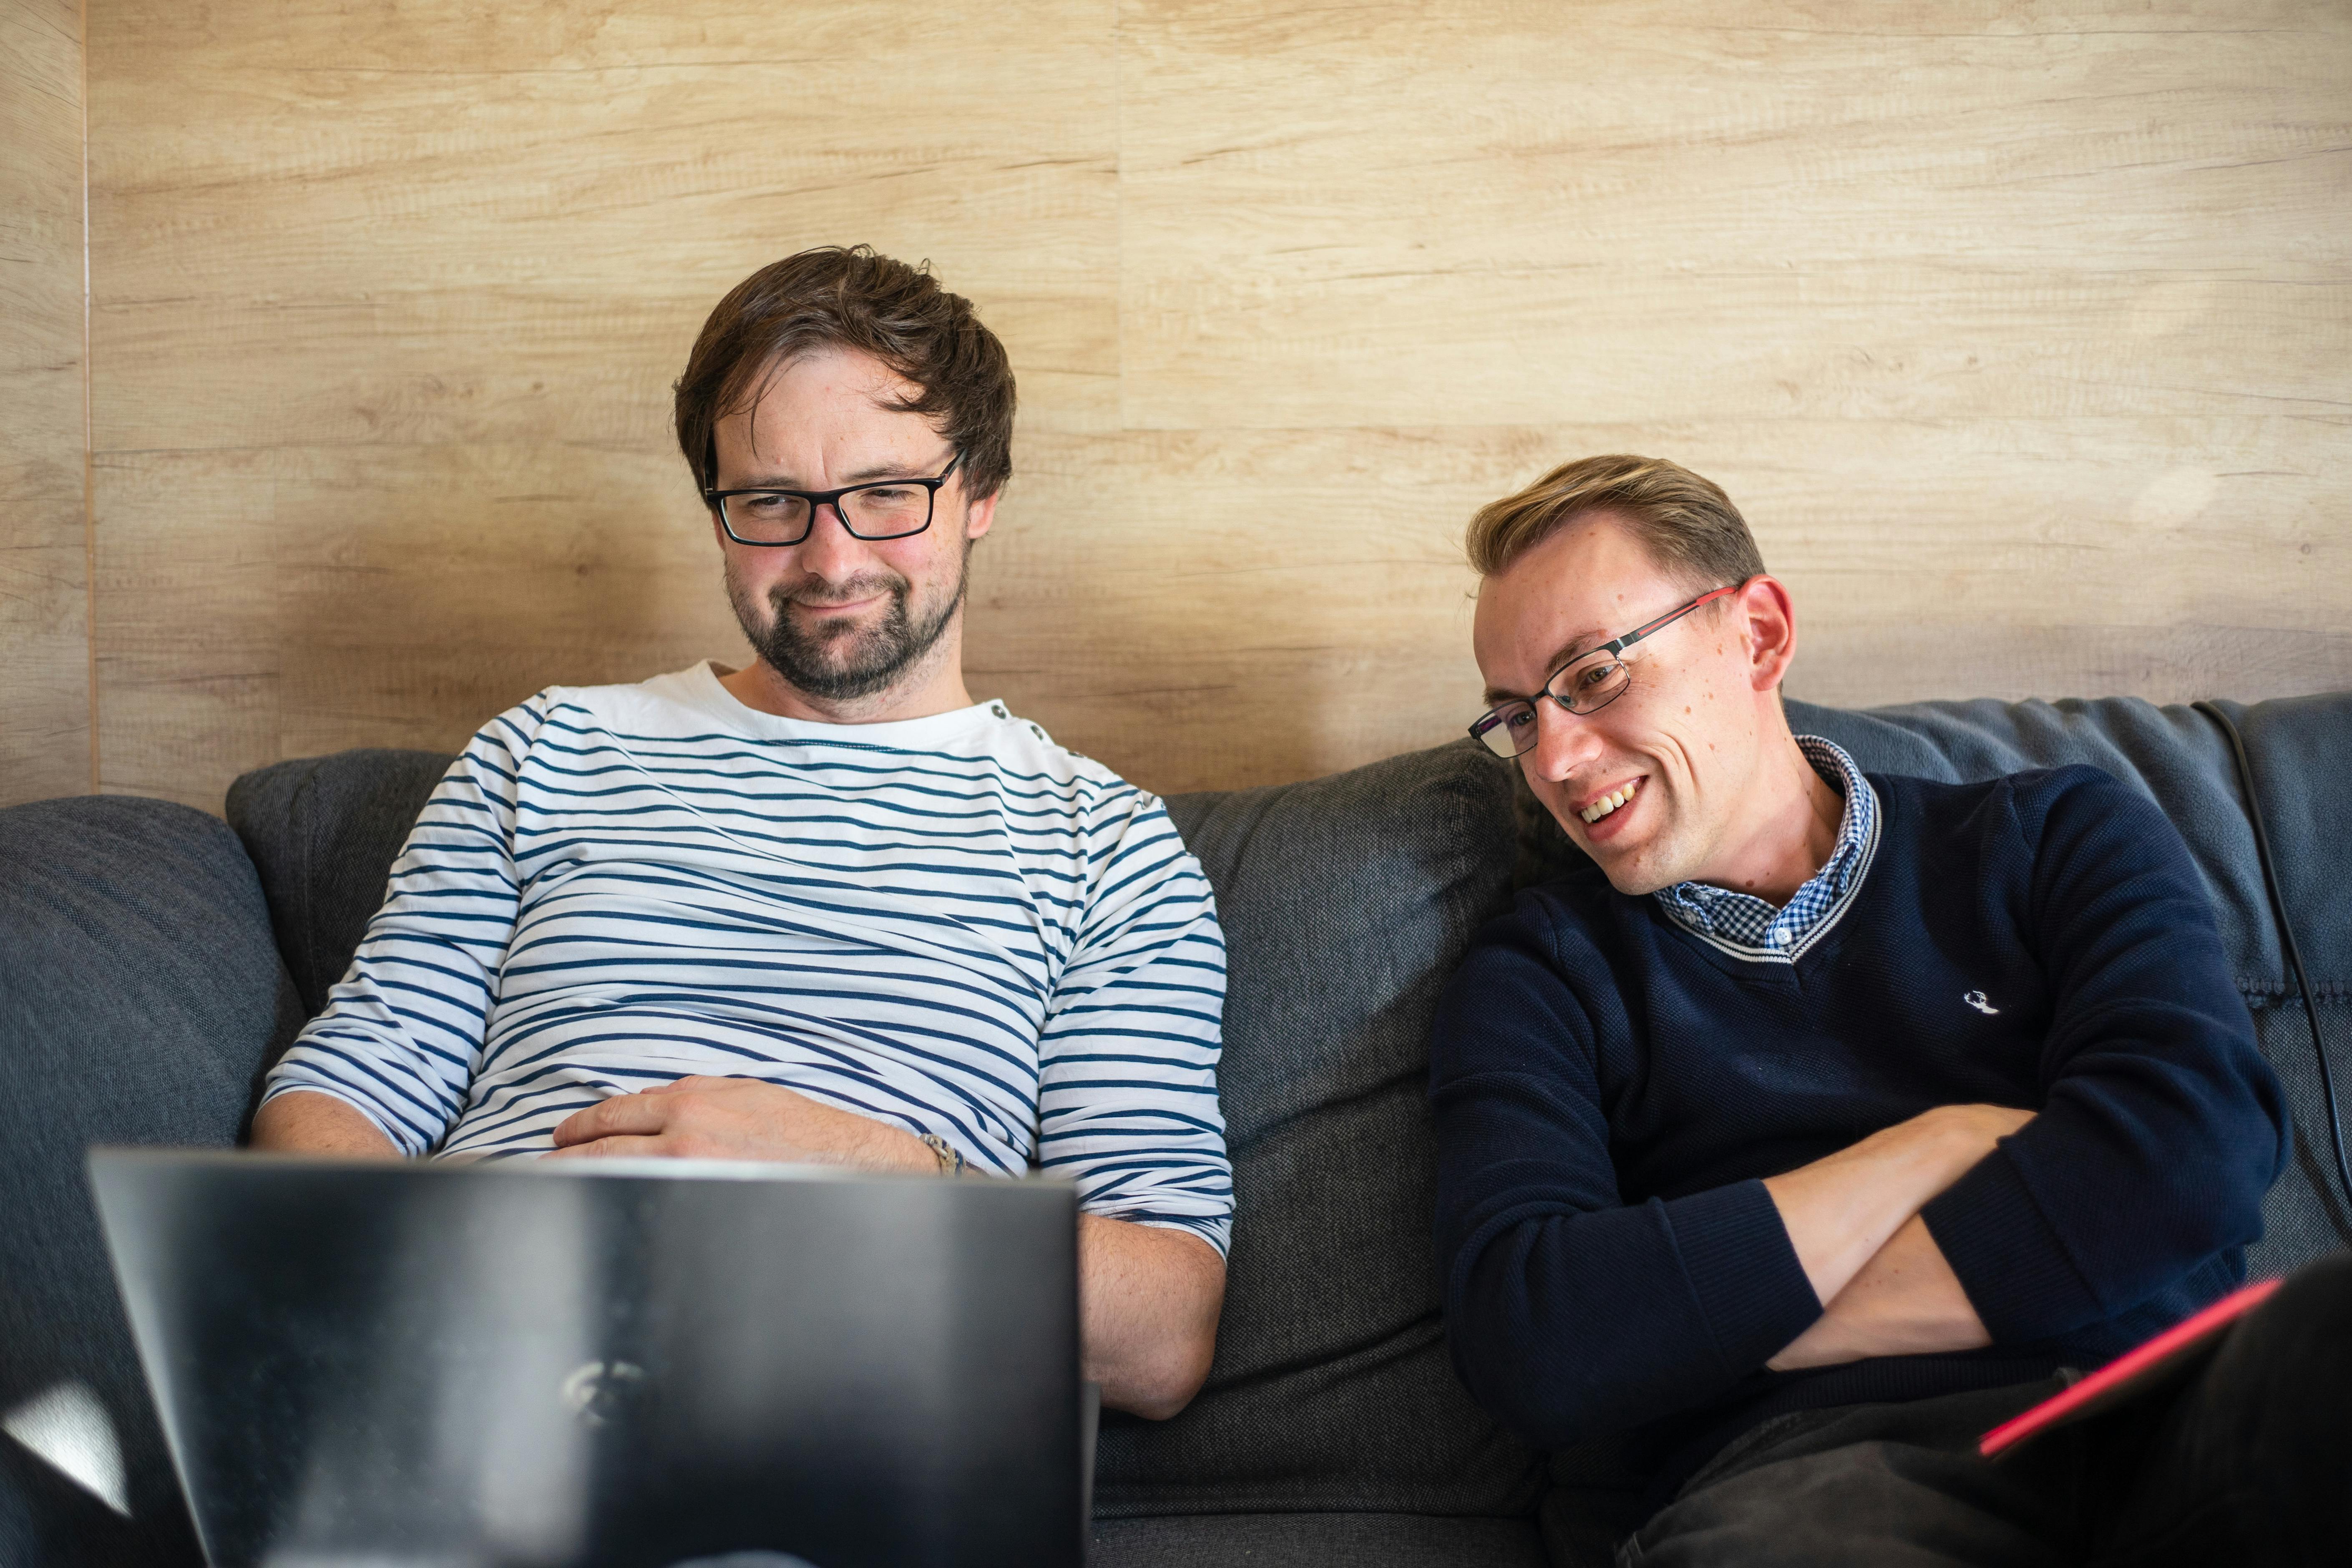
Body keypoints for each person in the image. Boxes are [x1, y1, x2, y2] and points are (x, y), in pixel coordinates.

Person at [254, 246, 1231, 1421]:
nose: (829, 560)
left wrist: (864, 1179)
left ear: (982, 492)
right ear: (717, 511)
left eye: (885, 493)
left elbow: (1166, 1333)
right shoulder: (546, 752)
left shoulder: (1107, 849)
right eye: (770, 502)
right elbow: (346, 1090)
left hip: (829, 1432)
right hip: (473, 1392)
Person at [1429, 453, 2347, 1563]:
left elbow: (2194, 1153)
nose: (1558, 760)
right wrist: (1937, 1146)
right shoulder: (1540, 976)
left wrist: (1705, 1331)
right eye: (1520, 719)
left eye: (1592, 676)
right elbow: (1538, 1340)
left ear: (1759, 635)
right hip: (1819, 1483)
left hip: (2153, 1415)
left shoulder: (2059, 837)